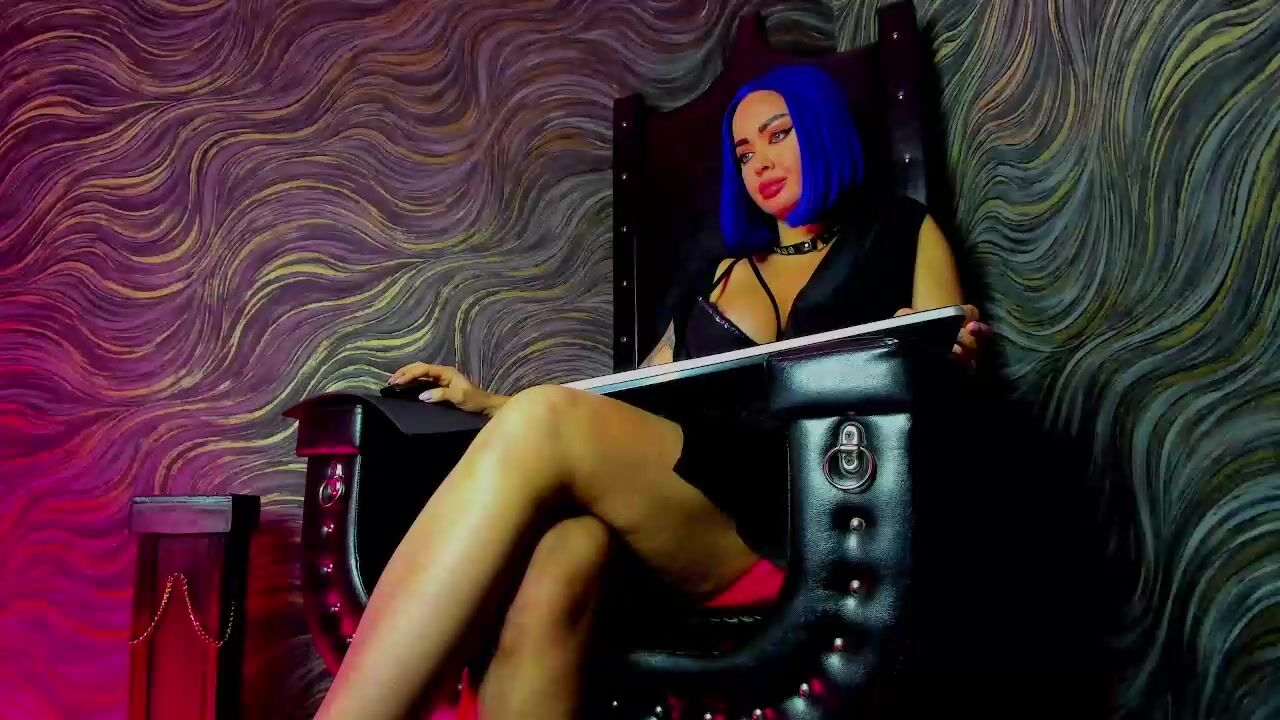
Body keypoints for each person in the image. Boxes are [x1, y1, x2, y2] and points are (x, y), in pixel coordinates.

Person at [314, 64, 991, 720]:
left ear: (823, 131)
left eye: (778, 135)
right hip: (683, 500)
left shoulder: (901, 230)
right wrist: (490, 405)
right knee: (564, 550)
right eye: (744, 152)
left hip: (804, 517)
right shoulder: (719, 275)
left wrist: (945, 351)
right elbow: (632, 397)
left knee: (548, 416)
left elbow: (949, 351)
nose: (759, 162)